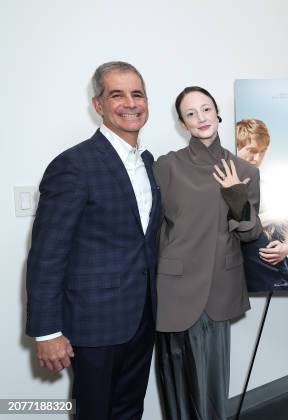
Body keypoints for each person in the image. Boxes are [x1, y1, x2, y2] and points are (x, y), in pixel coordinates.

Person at [25, 61, 161, 419]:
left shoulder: (148, 162)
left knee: (130, 409)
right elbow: (46, 255)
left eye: (138, 94)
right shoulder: (73, 165)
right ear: (98, 105)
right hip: (93, 325)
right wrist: (46, 332)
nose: (130, 103)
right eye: (117, 94)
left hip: (142, 318)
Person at [154, 86, 262, 420]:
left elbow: (251, 233)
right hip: (174, 289)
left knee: (212, 383)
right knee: (176, 381)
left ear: (217, 113)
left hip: (219, 284)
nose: (200, 118)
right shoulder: (166, 166)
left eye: (206, 109)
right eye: (191, 113)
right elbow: (149, 226)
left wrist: (236, 196)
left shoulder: (245, 171)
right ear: (182, 123)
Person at [235, 118, 288, 291]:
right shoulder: (225, 183)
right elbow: (232, 228)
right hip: (250, 274)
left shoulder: (266, 186)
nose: (258, 158)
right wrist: (270, 217)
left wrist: (286, 247)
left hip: (279, 271)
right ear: (236, 147)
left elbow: (285, 227)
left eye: (263, 151)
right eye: (252, 150)